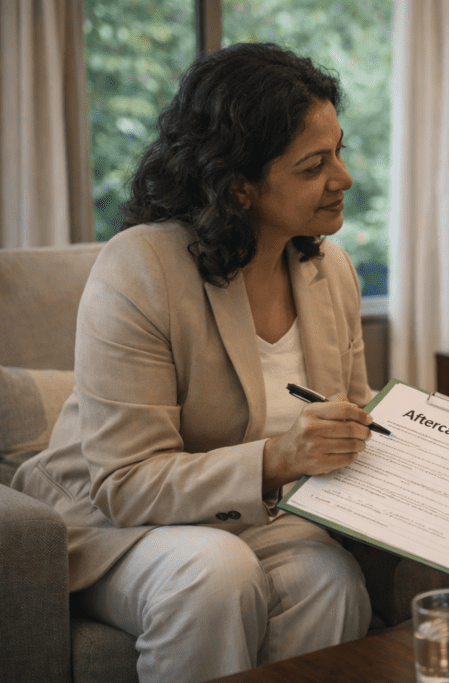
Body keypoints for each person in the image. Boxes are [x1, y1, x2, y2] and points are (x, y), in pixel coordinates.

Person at [13, 43, 376, 682]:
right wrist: (279, 459)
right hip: (110, 522)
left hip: (254, 517)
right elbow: (124, 482)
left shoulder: (329, 269)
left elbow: (354, 419)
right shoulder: (141, 268)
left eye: (339, 150)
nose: (343, 177)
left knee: (331, 578)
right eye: (314, 164)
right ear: (238, 183)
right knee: (215, 574)